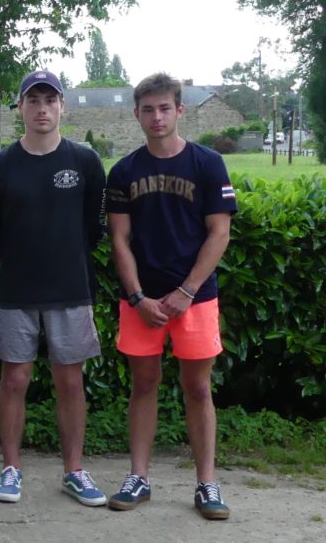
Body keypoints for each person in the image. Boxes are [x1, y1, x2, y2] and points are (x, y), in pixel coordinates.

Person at [105, 73, 235, 520]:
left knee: (197, 388)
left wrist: (186, 291)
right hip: (142, 300)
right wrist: (138, 296)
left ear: (179, 110)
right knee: (143, 385)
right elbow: (119, 240)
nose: (156, 117)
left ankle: (207, 484)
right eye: (148, 109)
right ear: (136, 114)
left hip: (195, 299)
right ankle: (138, 477)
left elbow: (219, 233)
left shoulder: (208, 164)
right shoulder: (124, 172)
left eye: (164, 108)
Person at [0, 70, 107, 507]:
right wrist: (12, 261)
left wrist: (65, 256)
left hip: (71, 287)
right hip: (16, 289)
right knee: (14, 379)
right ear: (20, 108)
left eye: (50, 100)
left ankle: (74, 471)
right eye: (33, 100)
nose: (42, 108)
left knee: (69, 381)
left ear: (63, 106)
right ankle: (11, 468)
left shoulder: (85, 161)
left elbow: (95, 225)